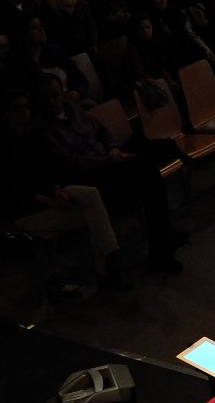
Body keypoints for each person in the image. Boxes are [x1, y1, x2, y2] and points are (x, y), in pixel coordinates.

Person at [33, 73, 184, 273]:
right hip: (91, 176)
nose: (52, 102)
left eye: (55, 95)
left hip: (107, 159)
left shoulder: (73, 110)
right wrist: (111, 159)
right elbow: (73, 163)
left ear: (62, 94)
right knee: (148, 175)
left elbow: (101, 131)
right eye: (46, 98)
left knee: (157, 149)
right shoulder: (44, 130)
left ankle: (164, 236)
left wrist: (113, 148)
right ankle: (161, 247)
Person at [0, 88, 130, 290]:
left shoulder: (33, 137)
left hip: (48, 193)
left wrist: (57, 190)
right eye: (18, 108)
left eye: (26, 107)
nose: (24, 112)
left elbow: (49, 171)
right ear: (7, 112)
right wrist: (52, 200)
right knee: (94, 212)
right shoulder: (2, 148)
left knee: (91, 194)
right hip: (26, 210)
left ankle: (111, 261)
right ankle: (109, 267)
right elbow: (17, 191)